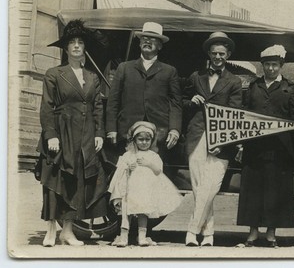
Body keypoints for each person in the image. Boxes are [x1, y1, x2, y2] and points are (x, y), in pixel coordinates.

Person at [39, 19, 107, 247]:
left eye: (80, 42)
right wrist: (51, 135)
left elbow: (98, 106)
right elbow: (47, 106)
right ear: (66, 48)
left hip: (85, 136)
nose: (76, 46)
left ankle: (67, 231)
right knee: (55, 181)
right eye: (72, 43)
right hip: (61, 132)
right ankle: (50, 230)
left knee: (76, 183)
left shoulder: (92, 77)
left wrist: (99, 133)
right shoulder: (54, 74)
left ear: (84, 48)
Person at [236, 45, 294, 248]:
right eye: (267, 65)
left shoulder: (290, 88)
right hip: (255, 147)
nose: (271, 68)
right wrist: (241, 143)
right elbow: (244, 113)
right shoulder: (254, 86)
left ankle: (271, 233)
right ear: (262, 66)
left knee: (276, 191)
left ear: (281, 65)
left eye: (274, 65)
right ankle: (253, 232)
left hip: (279, 148)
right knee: (253, 190)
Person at [183, 32, 242, 247]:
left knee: (212, 186)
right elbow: (181, 102)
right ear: (209, 53)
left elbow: (235, 114)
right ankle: (208, 235)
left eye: (222, 54)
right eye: (214, 53)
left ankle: (192, 231)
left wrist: (222, 141)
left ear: (228, 55)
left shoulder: (234, 81)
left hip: (221, 140)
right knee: (200, 187)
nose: (218, 57)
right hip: (197, 135)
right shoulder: (195, 77)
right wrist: (191, 101)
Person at [106, 22, 182, 157]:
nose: (147, 41)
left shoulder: (169, 71)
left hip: (159, 135)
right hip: (127, 133)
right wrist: (111, 129)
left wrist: (174, 129)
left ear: (160, 45)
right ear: (139, 43)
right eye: (144, 38)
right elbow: (113, 101)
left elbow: (175, 104)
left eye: (153, 39)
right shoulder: (124, 68)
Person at [108, 121, 183, 247]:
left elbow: (158, 171)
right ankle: (123, 237)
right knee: (127, 213)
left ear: (151, 140)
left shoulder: (153, 155)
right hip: (130, 190)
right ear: (134, 140)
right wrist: (129, 167)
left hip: (144, 190)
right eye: (141, 139)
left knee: (143, 212)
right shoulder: (129, 155)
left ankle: (141, 237)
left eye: (147, 140)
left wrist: (149, 164)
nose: (144, 142)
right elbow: (121, 170)